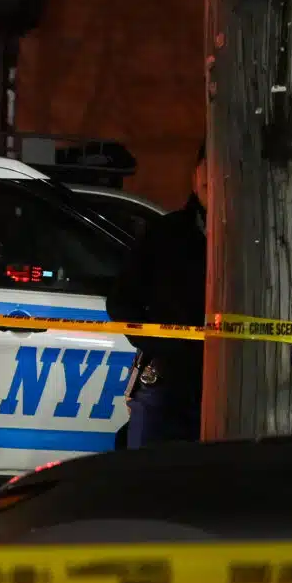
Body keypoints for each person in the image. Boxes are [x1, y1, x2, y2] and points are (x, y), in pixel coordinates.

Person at [109, 143, 207, 446]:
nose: (214, 180)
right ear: (195, 176)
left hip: (232, 389)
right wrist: (161, 347)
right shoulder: (166, 234)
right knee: (147, 482)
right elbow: (122, 301)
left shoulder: (254, 241)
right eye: (207, 170)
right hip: (169, 386)